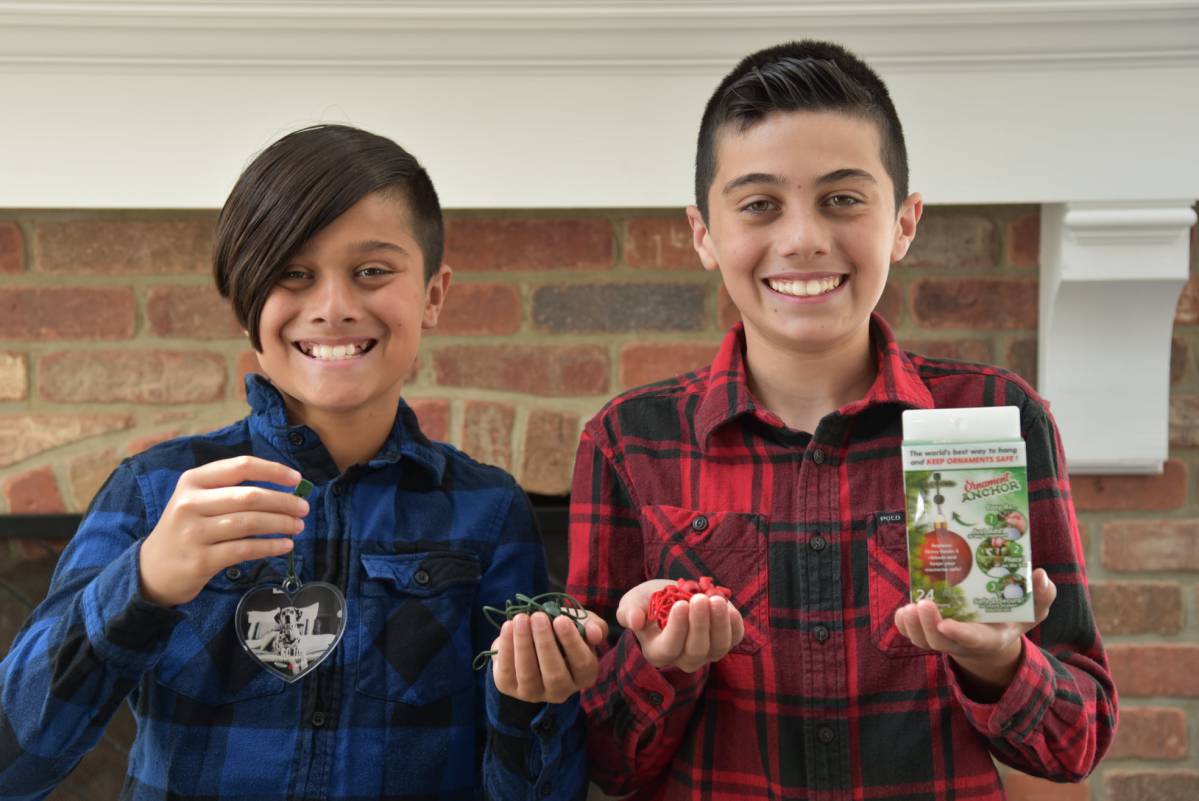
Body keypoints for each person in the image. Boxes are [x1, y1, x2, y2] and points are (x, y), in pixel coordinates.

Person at [566, 40, 1115, 800]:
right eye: (759, 204)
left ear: (903, 222)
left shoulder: (997, 418)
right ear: (702, 232)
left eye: (842, 199)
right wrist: (662, 664)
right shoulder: (627, 442)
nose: (802, 239)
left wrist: (998, 661)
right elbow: (600, 759)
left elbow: (1074, 743)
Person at [0, 124, 603, 800]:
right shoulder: (152, 493)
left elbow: (542, 792)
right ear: (244, 298)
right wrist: (143, 583)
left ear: (433, 294)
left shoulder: (490, 512)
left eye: (372, 271)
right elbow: (13, 760)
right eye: (293, 273)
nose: (334, 307)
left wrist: (529, 705)